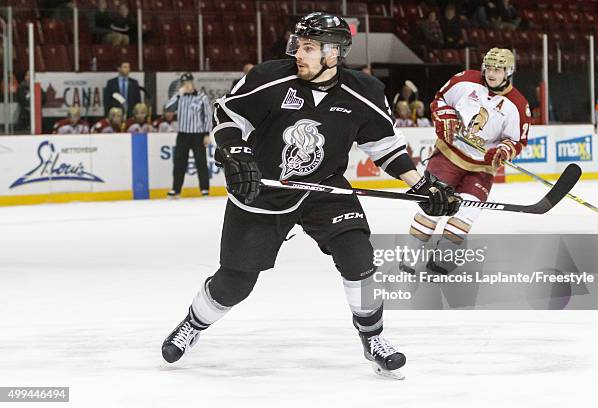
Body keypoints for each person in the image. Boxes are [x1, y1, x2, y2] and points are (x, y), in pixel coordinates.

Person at [160, 12, 461, 379]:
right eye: (297, 45)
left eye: (307, 48)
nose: (297, 54)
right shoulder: (269, 78)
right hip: (263, 187)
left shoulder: (363, 92)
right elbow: (228, 116)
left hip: (325, 189)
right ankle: (193, 324)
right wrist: (236, 153)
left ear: (333, 53)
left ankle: (374, 338)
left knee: (359, 256)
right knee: (235, 284)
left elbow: (385, 148)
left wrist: (421, 184)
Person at [404, 48, 530, 275]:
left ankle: (440, 261)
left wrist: (502, 150)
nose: (492, 73)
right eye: (489, 68)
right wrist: (446, 115)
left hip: (481, 168)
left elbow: (517, 140)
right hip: (449, 155)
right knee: (433, 205)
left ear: (508, 72)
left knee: (467, 213)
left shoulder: (518, 105)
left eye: (498, 69)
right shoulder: (465, 80)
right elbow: (440, 99)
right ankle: (410, 257)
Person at [165, 72, 213, 197]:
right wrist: (178, 95)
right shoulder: (179, 97)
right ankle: (176, 189)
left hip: (198, 135)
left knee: (201, 162)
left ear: (192, 82)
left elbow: (207, 116)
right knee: (179, 163)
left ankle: (205, 189)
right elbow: (168, 109)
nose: (186, 85)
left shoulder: (201, 97)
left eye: (188, 82)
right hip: (183, 135)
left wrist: (207, 134)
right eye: (184, 83)